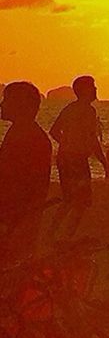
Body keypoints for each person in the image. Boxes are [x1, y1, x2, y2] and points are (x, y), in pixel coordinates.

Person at [49, 74, 107, 239]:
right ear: (84, 90)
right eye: (93, 87)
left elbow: (54, 131)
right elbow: (93, 139)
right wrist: (104, 163)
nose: (96, 90)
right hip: (75, 160)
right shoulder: (88, 110)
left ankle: (53, 234)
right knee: (81, 201)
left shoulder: (69, 108)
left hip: (65, 158)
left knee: (70, 200)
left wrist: (66, 143)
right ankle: (65, 236)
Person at [0, 82, 51, 260]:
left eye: (6, 100)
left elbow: (22, 182)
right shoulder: (21, 132)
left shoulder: (27, 135)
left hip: (15, 218)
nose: (2, 104)